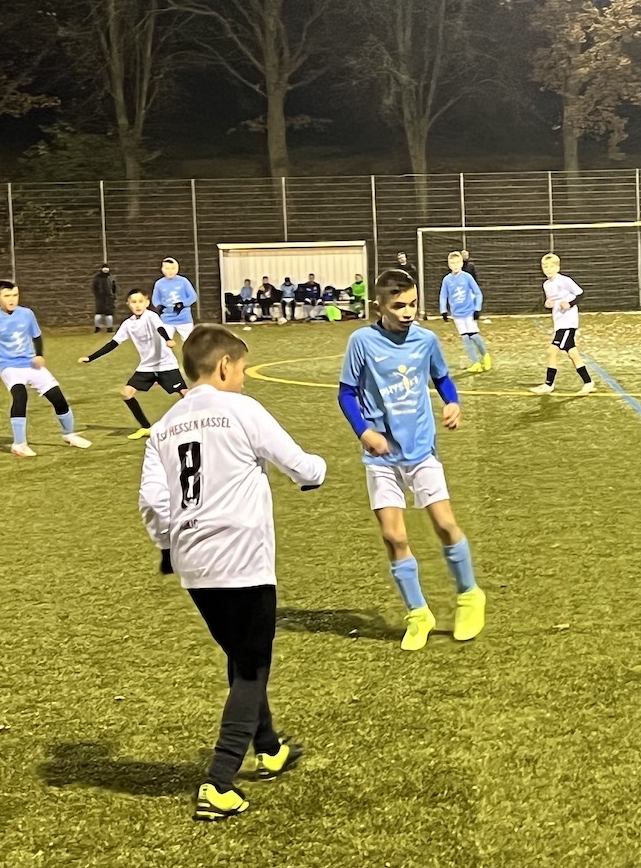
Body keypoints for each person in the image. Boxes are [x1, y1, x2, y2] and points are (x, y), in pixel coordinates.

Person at [139, 324, 326, 820]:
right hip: (242, 556)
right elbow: (299, 466)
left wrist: (168, 547)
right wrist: (319, 470)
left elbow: (153, 503)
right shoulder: (242, 409)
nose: (243, 379)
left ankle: (269, 748)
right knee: (252, 666)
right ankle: (219, 782)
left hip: (193, 562)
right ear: (224, 366)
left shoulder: (164, 426)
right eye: (241, 370)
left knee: (240, 652)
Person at [337, 269, 485, 652]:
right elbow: (346, 393)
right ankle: (418, 615)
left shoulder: (426, 339)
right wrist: (364, 432)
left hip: (420, 450)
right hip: (380, 456)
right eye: (399, 305)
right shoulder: (361, 342)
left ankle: (469, 595)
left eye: (413, 304)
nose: (408, 312)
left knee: (445, 524)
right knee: (394, 536)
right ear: (379, 306)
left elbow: (442, 378)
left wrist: (452, 402)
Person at [0, 280, 92, 457]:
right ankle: (19, 444)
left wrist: (40, 355)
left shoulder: (27, 314)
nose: (12, 299)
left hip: (30, 363)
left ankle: (69, 434)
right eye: (7, 296)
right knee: (20, 396)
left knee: (58, 397)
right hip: (9, 367)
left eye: (15, 295)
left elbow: (36, 336)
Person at [80, 289, 187, 440]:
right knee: (126, 393)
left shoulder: (151, 316)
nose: (137, 305)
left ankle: (199, 420)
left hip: (166, 364)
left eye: (141, 301)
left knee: (185, 394)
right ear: (128, 304)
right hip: (146, 367)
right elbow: (113, 343)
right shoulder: (128, 324)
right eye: (134, 302)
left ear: (147, 302)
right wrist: (91, 358)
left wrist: (167, 339)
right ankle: (146, 427)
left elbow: (160, 328)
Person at [531, 253, 594, 396]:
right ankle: (588, 382)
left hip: (568, 322)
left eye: (551, 266)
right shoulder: (546, 285)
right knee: (573, 353)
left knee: (552, 351)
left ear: (558, 267)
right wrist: (547, 304)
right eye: (545, 266)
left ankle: (548, 384)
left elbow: (581, 294)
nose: (548, 269)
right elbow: (551, 302)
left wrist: (570, 303)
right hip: (559, 323)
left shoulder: (565, 280)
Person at [439, 251, 490, 372]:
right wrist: (443, 310)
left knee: (474, 336)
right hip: (457, 314)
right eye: (452, 263)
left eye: (457, 262)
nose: (455, 265)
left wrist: (477, 308)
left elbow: (478, 293)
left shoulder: (467, 277)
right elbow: (443, 295)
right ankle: (476, 363)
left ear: (462, 263)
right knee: (465, 338)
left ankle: (486, 356)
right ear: (449, 265)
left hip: (469, 312)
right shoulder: (447, 280)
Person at [152, 258, 198, 342]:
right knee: (164, 342)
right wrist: (159, 306)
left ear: (177, 268)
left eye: (173, 268)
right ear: (162, 269)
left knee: (189, 342)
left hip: (184, 318)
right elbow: (155, 298)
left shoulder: (183, 281)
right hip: (166, 319)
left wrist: (183, 304)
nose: (170, 271)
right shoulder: (159, 283)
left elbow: (193, 297)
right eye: (167, 268)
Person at [93, 263, 117, 332]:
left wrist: (113, 295)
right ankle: (99, 328)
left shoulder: (109, 277)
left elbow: (114, 287)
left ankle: (108, 328)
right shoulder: (108, 277)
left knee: (107, 313)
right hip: (102, 298)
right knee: (100, 313)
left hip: (107, 298)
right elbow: (95, 287)